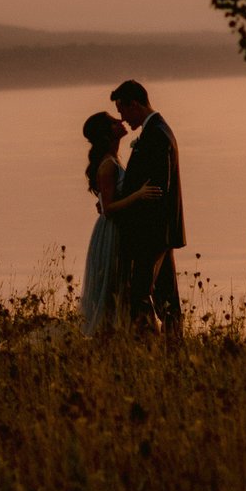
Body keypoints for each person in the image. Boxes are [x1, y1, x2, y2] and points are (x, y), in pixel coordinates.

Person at [106, 79, 185, 337]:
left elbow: (157, 190)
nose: (123, 118)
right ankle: (172, 346)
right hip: (159, 232)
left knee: (140, 292)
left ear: (135, 104)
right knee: (165, 296)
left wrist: (127, 211)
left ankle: (147, 344)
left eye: (123, 111)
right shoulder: (156, 131)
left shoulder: (157, 135)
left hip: (153, 232)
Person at [78, 111, 125, 335]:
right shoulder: (108, 164)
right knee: (110, 287)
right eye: (113, 121)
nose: (120, 121)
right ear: (108, 133)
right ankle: (105, 337)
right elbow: (108, 208)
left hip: (115, 228)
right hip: (111, 231)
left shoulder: (114, 160)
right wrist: (141, 195)